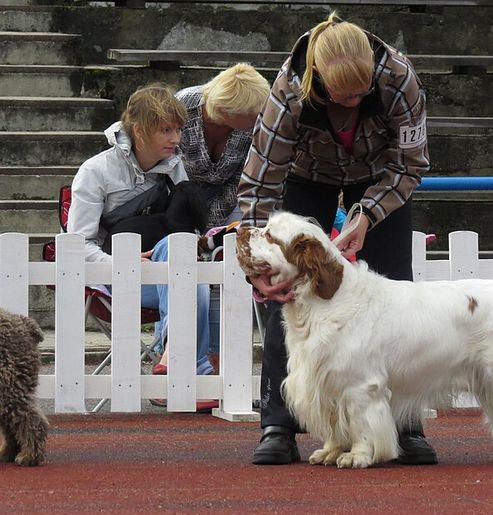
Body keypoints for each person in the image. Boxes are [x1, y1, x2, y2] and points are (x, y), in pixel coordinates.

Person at [237, 12, 437, 465]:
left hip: (383, 179)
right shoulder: (287, 91)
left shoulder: (400, 78)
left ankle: (405, 427)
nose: (356, 100)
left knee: (394, 295)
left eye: (364, 91)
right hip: (307, 177)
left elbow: (411, 163)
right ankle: (278, 425)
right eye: (344, 94)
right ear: (317, 80)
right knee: (285, 299)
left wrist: (367, 213)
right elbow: (259, 186)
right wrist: (259, 268)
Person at [67, 83, 217, 410]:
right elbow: (77, 244)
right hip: (109, 277)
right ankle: (192, 369)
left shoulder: (176, 167)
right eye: (165, 130)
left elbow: (183, 230)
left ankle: (173, 366)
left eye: (178, 129)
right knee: (185, 275)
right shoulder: (96, 171)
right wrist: (121, 262)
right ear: (138, 128)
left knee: (182, 264)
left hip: (162, 274)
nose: (176, 139)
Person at [175, 63, 271, 374]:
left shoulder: (258, 122)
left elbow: (256, 176)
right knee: (186, 275)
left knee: (229, 265)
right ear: (228, 111)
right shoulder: (182, 106)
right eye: (253, 114)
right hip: (180, 203)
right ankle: (181, 360)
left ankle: (220, 363)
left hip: (233, 202)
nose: (260, 118)